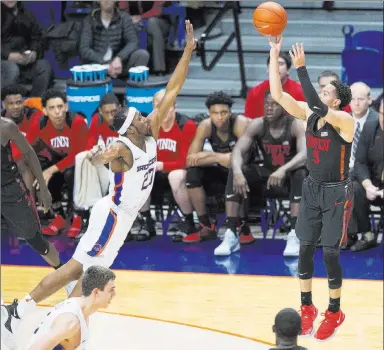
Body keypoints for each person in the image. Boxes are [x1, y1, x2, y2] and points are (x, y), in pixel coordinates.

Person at [0, 20, 196, 349]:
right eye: (139, 118)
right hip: (114, 216)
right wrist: (97, 157)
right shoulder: (122, 147)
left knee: (85, 271)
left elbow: (172, 90)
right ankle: (37, 318)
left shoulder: (150, 132)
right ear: (129, 129)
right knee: (84, 271)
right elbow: (100, 158)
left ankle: (37, 315)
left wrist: (188, 51)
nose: (146, 118)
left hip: (121, 217)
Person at [268, 36, 354, 341]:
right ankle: (307, 307)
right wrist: (274, 54)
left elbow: (315, 103)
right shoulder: (310, 114)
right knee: (305, 248)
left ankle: (334, 310)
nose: (321, 93)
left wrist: (302, 70)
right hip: (313, 188)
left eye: (327, 90)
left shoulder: (345, 120)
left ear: (337, 100)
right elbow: (278, 95)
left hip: (336, 193)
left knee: (330, 253)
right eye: (321, 89)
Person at [214, 91, 307, 256]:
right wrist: (237, 172)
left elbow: (305, 155)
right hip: (267, 177)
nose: (269, 108)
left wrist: (283, 170)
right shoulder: (257, 124)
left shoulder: (295, 125)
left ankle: (295, 233)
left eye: (274, 104)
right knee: (236, 171)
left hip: (289, 178)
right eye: (267, 104)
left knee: (300, 173)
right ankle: (231, 233)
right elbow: (237, 151)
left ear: (284, 107)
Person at [12, 89, 89, 238]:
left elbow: (77, 155)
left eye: (60, 107)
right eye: (52, 108)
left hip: (79, 165)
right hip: (57, 162)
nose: (57, 112)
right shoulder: (40, 124)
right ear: (45, 111)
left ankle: (78, 217)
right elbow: (25, 148)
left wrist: (51, 170)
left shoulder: (77, 122)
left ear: (66, 107)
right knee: (38, 168)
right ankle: (58, 217)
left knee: (70, 173)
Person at [183, 91, 250, 243]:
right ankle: (206, 225)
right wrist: (218, 158)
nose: (220, 117)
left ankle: (242, 225)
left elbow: (240, 159)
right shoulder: (206, 125)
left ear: (230, 112)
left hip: (246, 173)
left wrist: (209, 157)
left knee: (237, 170)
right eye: (215, 113)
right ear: (209, 113)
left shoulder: (240, 123)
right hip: (220, 170)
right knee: (192, 173)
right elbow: (190, 159)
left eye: (224, 112)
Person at [1, 117, 63, 275]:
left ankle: (66, 277)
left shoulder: (6, 126)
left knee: (36, 241)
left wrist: (43, 188)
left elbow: (28, 152)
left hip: (10, 190)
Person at [138, 89, 198, 242]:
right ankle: (147, 221)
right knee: (136, 173)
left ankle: (189, 222)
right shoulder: (146, 126)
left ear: (174, 107)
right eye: (158, 105)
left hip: (180, 175)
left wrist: (159, 165)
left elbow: (185, 161)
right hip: (156, 175)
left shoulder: (186, 125)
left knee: (176, 175)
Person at [24, 266, 116, 350]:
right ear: (96, 292)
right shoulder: (70, 322)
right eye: (111, 290)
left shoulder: (82, 308)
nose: (114, 294)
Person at [350, 97, 384, 251]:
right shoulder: (371, 127)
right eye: (382, 114)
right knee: (352, 185)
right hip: (374, 183)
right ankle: (366, 234)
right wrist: (367, 184)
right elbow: (360, 162)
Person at [1, 1, 53, 96]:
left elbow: (37, 37)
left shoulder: (26, 12)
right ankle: (5, 107)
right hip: (3, 61)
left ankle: (34, 105)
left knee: (44, 66)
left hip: (23, 59)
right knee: (11, 69)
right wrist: (7, 55)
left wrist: (34, 51)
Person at [1, 83, 44, 192]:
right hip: (8, 165)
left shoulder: (35, 116)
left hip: (35, 161)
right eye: (11, 103)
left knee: (22, 163)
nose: (15, 107)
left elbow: (31, 146)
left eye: (19, 102)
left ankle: (30, 205)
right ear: (3, 105)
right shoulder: (2, 123)